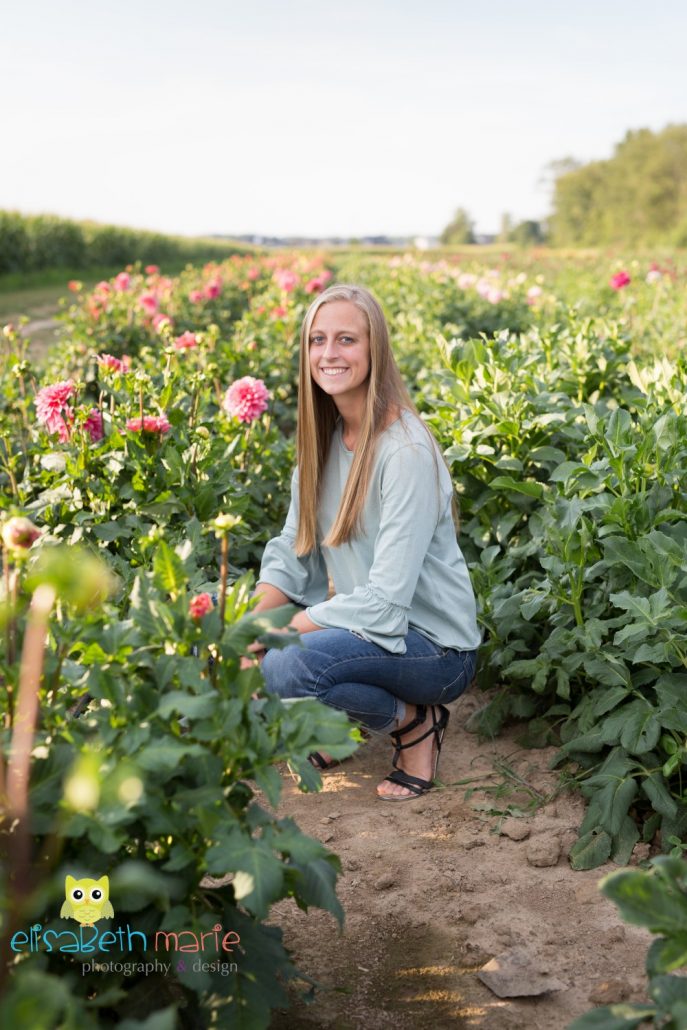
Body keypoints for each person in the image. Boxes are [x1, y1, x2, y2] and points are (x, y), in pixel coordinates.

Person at [242, 283, 480, 801]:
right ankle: (340, 727)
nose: (329, 354)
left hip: (434, 649)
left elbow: (385, 601)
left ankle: (415, 723)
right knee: (241, 647)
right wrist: (247, 627)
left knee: (287, 664)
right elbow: (293, 554)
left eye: (347, 339)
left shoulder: (405, 451)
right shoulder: (321, 444)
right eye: (318, 340)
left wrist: (274, 635)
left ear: (375, 350)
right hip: (369, 632)